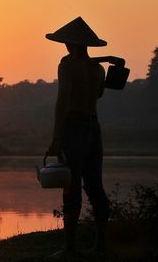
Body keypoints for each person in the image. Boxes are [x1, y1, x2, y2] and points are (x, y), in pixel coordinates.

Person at [46, 17, 110, 257]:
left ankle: (70, 247)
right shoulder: (98, 68)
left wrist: (55, 138)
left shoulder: (67, 66)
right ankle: (101, 244)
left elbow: (63, 100)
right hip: (94, 128)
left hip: (73, 128)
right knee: (95, 187)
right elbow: (100, 94)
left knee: (70, 187)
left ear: (69, 44)